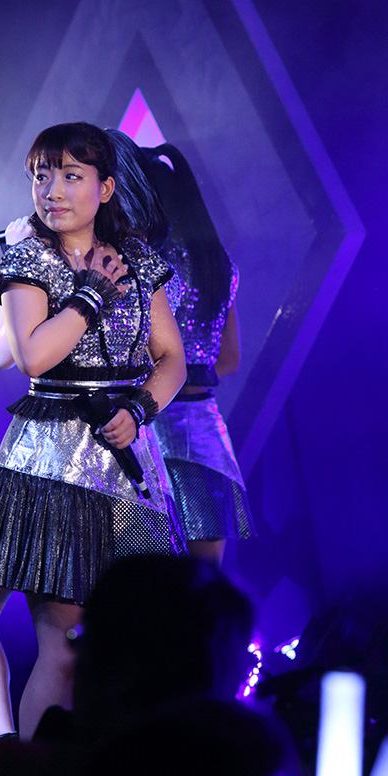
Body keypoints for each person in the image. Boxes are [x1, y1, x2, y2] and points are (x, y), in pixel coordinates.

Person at [0, 122, 187, 743]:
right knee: (2, 620)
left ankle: (49, 765)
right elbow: (28, 356)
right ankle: (8, 753)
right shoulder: (31, 259)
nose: (52, 190)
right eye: (42, 176)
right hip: (48, 460)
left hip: (121, 462)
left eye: (71, 176)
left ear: (106, 188)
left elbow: (173, 359)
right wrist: (89, 294)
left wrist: (141, 409)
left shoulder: (137, 260)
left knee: (94, 640)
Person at [106, 129, 256, 566]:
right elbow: (229, 359)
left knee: (144, 580)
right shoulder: (219, 264)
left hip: (147, 429)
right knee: (203, 586)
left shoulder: (147, 264)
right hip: (204, 432)